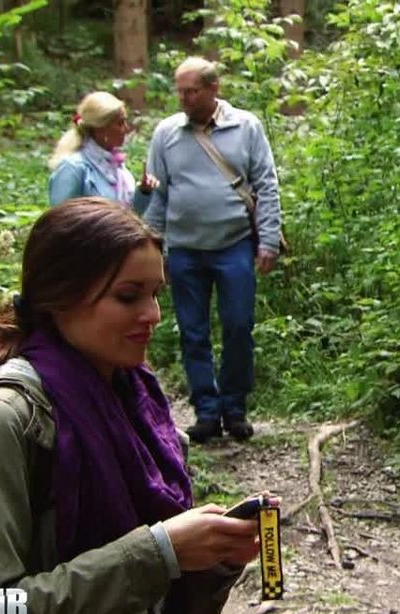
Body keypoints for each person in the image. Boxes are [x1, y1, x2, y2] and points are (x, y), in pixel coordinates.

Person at [0, 197, 264, 614]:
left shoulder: (136, 404)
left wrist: (212, 557)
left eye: (155, 293)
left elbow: (157, 610)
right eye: (128, 296)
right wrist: (159, 551)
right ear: (60, 297)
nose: (153, 315)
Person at [143, 57, 283, 443]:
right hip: (185, 249)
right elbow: (158, 195)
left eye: (192, 90)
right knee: (193, 332)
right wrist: (153, 248)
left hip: (234, 244)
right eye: (180, 91)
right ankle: (206, 410)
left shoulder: (246, 126)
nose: (185, 98)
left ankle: (234, 408)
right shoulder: (167, 133)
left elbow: (266, 185)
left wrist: (268, 240)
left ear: (213, 88)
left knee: (238, 325)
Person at [48, 92, 158, 214]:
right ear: (101, 127)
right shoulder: (74, 168)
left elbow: (128, 217)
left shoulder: (116, 166)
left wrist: (143, 192)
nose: (126, 129)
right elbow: (59, 222)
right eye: (120, 123)